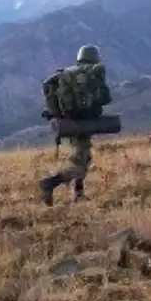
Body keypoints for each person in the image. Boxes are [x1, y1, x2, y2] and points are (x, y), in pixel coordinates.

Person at [39, 44, 109, 205]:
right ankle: (49, 183)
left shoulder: (66, 73)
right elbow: (104, 98)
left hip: (67, 120)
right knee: (79, 164)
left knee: (84, 157)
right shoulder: (91, 74)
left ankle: (78, 194)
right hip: (79, 122)